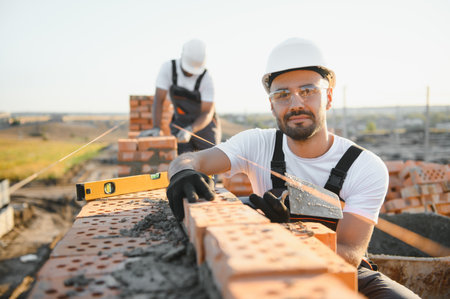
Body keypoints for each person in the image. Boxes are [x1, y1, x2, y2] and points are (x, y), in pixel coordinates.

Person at [166, 38, 420, 298]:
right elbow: (191, 160)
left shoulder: (364, 166)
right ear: (271, 105)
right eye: (282, 95)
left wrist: (290, 235)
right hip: (271, 263)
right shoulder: (257, 143)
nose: (296, 103)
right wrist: (183, 172)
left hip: (343, 270)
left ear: (329, 97)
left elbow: (350, 255)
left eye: (308, 91)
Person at [139, 39, 221, 155]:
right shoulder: (168, 68)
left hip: (204, 125)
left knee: (210, 162)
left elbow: (207, 112)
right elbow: (159, 99)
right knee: (182, 164)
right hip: (181, 123)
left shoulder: (206, 78)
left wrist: (191, 130)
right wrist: (156, 127)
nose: (190, 74)